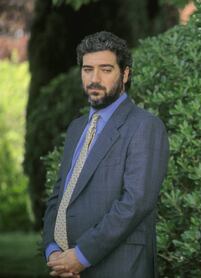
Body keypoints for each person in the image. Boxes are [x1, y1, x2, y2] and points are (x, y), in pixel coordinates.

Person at [42, 31, 169, 278]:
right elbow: (59, 195)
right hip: (64, 268)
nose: (94, 78)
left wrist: (81, 255)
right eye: (88, 69)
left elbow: (136, 202)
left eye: (106, 69)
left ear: (126, 74)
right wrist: (52, 250)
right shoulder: (77, 127)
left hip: (118, 267)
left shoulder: (145, 126)